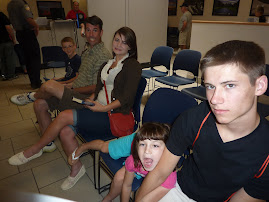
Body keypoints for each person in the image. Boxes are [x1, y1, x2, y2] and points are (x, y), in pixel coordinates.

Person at [8, 26, 142, 191]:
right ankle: (76, 169)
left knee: (64, 116)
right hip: (96, 108)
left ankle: (36, 149)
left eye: (124, 42)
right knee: (65, 132)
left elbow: (127, 98)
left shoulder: (132, 65)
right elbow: (99, 88)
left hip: (111, 115)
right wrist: (91, 101)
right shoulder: (108, 64)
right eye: (116, 40)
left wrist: (103, 108)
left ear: (130, 46)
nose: (119, 45)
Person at [135, 40, 269, 201]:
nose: (214, 99)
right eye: (210, 86)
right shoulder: (193, 119)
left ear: (259, 85)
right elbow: (160, 172)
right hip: (180, 189)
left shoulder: (264, 150)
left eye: (230, 85)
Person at [10, 15, 111, 152]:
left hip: (85, 99)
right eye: (88, 30)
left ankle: (31, 96)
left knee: (48, 86)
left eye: (95, 30)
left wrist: (71, 89)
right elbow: (80, 77)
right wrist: (67, 86)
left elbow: (96, 87)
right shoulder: (88, 51)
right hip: (75, 91)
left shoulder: (103, 55)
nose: (91, 34)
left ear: (101, 32)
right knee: (39, 104)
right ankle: (48, 143)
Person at [68, 123, 177, 202]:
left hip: (146, 157)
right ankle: (83, 147)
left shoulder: (168, 176)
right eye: (143, 145)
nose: (147, 151)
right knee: (105, 148)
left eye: (155, 146)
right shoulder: (134, 159)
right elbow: (126, 185)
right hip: (135, 146)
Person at [7, 0, 42, 89]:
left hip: (19, 33)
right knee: (35, 57)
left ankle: (32, 81)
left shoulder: (10, 5)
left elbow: (11, 20)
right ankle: (36, 82)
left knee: (27, 58)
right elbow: (28, 18)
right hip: (27, 33)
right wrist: (36, 26)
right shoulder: (22, 4)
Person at [0, 12, 18, 81]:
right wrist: (13, 39)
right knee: (10, 58)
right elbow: (8, 28)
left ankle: (4, 75)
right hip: (6, 40)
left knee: (2, 60)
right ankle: (11, 75)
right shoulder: (1, 15)